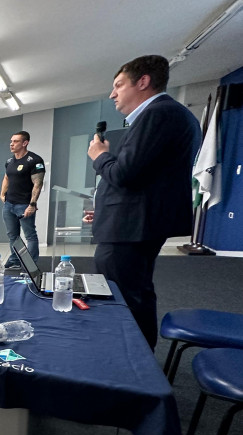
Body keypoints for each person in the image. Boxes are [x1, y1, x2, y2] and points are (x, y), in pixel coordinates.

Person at [85, 54, 201, 349]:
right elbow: (142, 178)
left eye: (119, 85)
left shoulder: (157, 114)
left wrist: (100, 156)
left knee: (126, 296)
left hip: (132, 227)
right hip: (133, 222)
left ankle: (133, 367)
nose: (112, 94)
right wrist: (102, 212)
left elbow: (123, 174)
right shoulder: (169, 114)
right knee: (134, 291)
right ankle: (135, 360)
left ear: (144, 81)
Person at [0, 131, 45, 268]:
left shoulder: (35, 160)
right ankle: (15, 260)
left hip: (24, 204)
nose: (11, 144)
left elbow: (38, 183)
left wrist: (32, 204)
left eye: (15, 141)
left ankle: (30, 265)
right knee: (13, 236)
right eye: (11, 141)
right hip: (9, 205)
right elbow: (7, 177)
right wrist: (2, 194)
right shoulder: (10, 161)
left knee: (30, 235)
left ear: (25, 143)